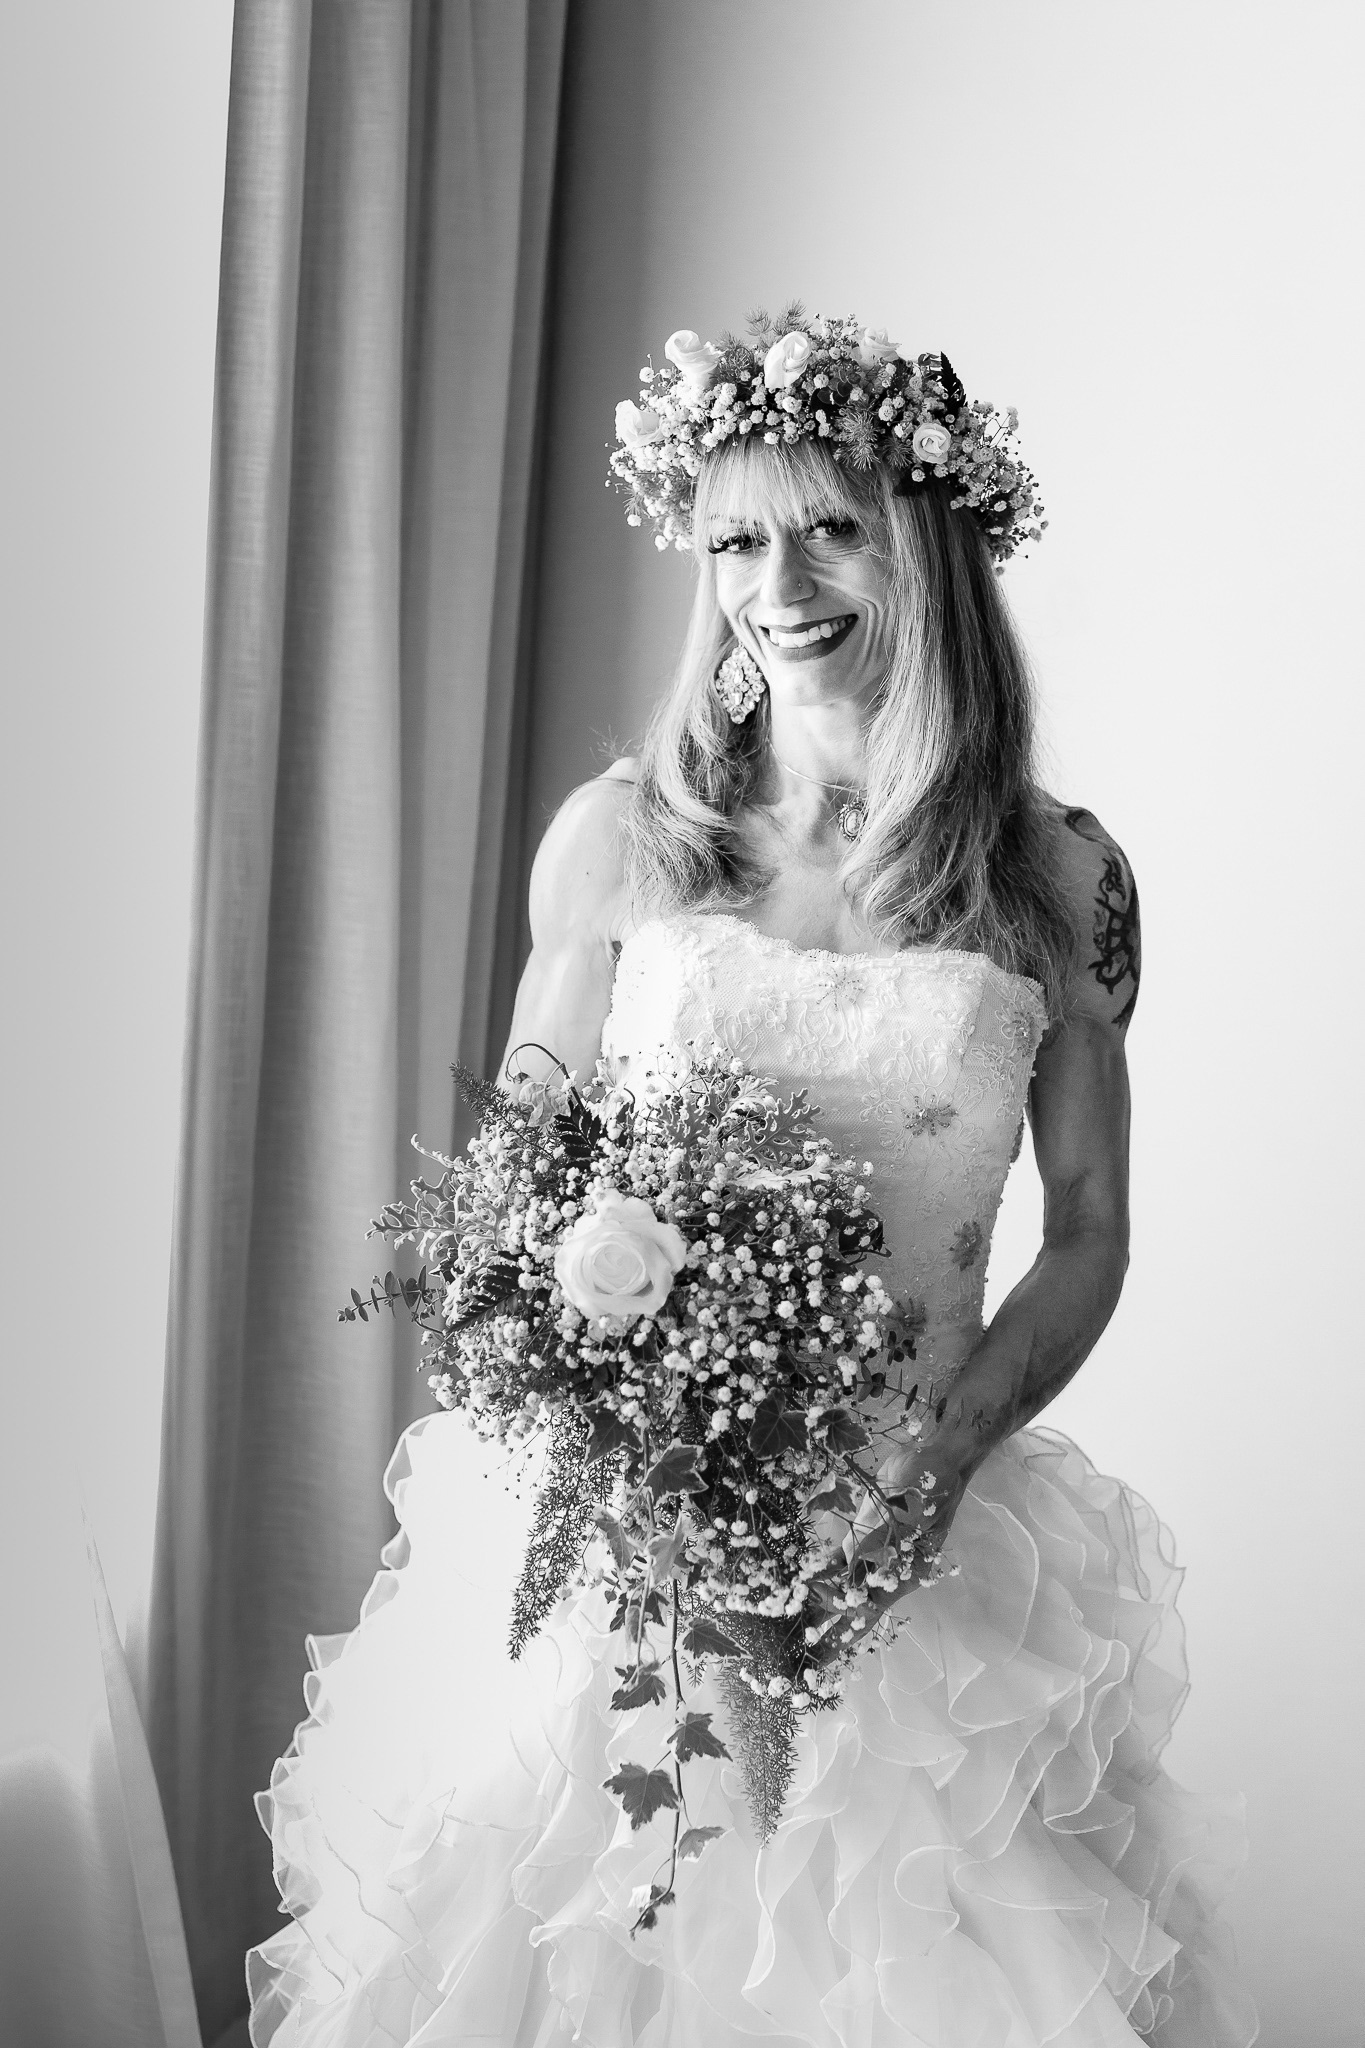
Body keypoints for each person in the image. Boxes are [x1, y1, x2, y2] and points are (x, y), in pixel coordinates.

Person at [247, 312, 1258, 2045]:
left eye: (829, 528)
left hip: (911, 1549)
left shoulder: (1057, 877)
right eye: (731, 541)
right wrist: (626, 1440)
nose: (774, 587)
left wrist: (935, 1468)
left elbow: (1088, 1230)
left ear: (925, 546)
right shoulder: (622, 841)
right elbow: (509, 1201)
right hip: (622, 1555)